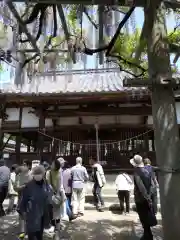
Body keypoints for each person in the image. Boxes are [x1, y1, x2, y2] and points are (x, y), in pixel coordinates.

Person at [18, 165, 50, 240]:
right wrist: (24, 214)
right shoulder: (29, 186)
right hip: (32, 216)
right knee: (32, 236)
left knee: (39, 235)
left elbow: (48, 197)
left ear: (43, 174)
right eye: (36, 173)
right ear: (33, 174)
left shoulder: (46, 184)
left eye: (40, 173)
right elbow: (23, 202)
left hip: (42, 214)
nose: (38, 175)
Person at [130, 155, 157, 240]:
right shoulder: (148, 170)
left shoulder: (137, 172)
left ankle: (147, 236)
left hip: (141, 199)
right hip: (148, 197)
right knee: (147, 216)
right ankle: (148, 234)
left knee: (143, 217)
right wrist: (150, 196)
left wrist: (147, 197)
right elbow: (153, 184)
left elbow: (141, 187)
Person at [46, 158, 66, 235]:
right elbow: (60, 184)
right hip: (58, 194)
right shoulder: (59, 172)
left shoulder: (48, 172)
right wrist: (57, 193)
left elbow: (48, 185)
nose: (51, 165)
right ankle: (57, 228)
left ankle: (53, 226)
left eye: (52, 164)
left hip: (51, 195)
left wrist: (54, 192)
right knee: (57, 211)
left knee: (51, 211)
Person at [14, 165, 32, 234]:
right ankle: (22, 230)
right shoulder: (18, 177)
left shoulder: (30, 176)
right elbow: (16, 187)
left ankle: (27, 230)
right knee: (21, 214)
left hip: (29, 199)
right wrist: (23, 186)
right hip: (21, 198)